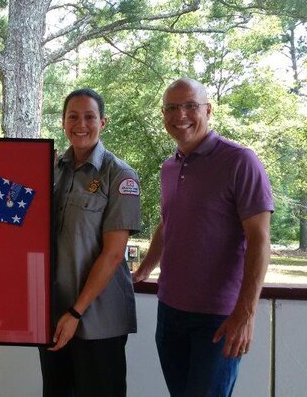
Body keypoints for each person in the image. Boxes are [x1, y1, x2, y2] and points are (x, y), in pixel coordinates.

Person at [132, 78, 273, 396]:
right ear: (164, 115)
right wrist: (143, 270)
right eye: (171, 107)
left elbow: (260, 241)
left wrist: (245, 313)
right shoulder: (169, 167)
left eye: (190, 105)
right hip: (169, 313)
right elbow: (168, 225)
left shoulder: (240, 161)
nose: (180, 114)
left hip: (218, 319)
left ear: (208, 110)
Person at [40, 88, 141, 397]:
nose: (80, 124)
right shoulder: (51, 170)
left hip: (97, 320)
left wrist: (75, 314)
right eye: (73, 117)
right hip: (54, 315)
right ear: (62, 122)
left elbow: (112, 254)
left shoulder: (120, 175)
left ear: (103, 122)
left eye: (89, 117)